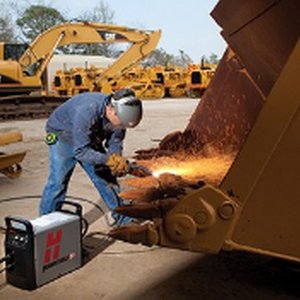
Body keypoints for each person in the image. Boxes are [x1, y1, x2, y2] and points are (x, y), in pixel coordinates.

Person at [39, 88, 142, 226]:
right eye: (121, 124)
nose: (122, 127)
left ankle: (123, 218)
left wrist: (116, 159)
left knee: (106, 179)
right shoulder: (87, 110)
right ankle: (45, 223)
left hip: (90, 136)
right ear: (111, 110)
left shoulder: (120, 116)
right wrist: (108, 160)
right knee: (58, 182)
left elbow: (115, 142)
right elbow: (81, 151)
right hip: (63, 135)